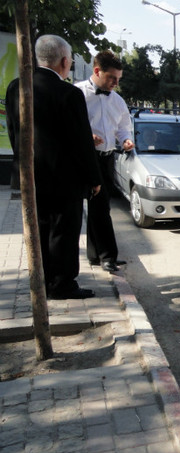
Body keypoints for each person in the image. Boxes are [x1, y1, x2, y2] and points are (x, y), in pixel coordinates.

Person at [5, 35, 102, 299]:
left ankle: (41, 280)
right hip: (64, 179)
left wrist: (21, 165)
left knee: (38, 229)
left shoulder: (16, 87)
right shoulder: (69, 93)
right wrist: (94, 177)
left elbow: (14, 132)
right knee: (63, 232)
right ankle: (62, 284)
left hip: (29, 175)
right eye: (69, 60)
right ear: (63, 61)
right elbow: (81, 141)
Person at [76, 50, 133, 273]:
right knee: (96, 207)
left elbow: (123, 126)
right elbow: (69, 125)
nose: (116, 84)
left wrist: (126, 140)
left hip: (107, 158)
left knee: (101, 206)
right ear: (97, 71)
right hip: (84, 158)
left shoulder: (117, 100)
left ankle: (98, 255)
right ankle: (106, 255)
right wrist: (86, 137)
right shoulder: (77, 94)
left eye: (118, 79)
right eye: (112, 78)